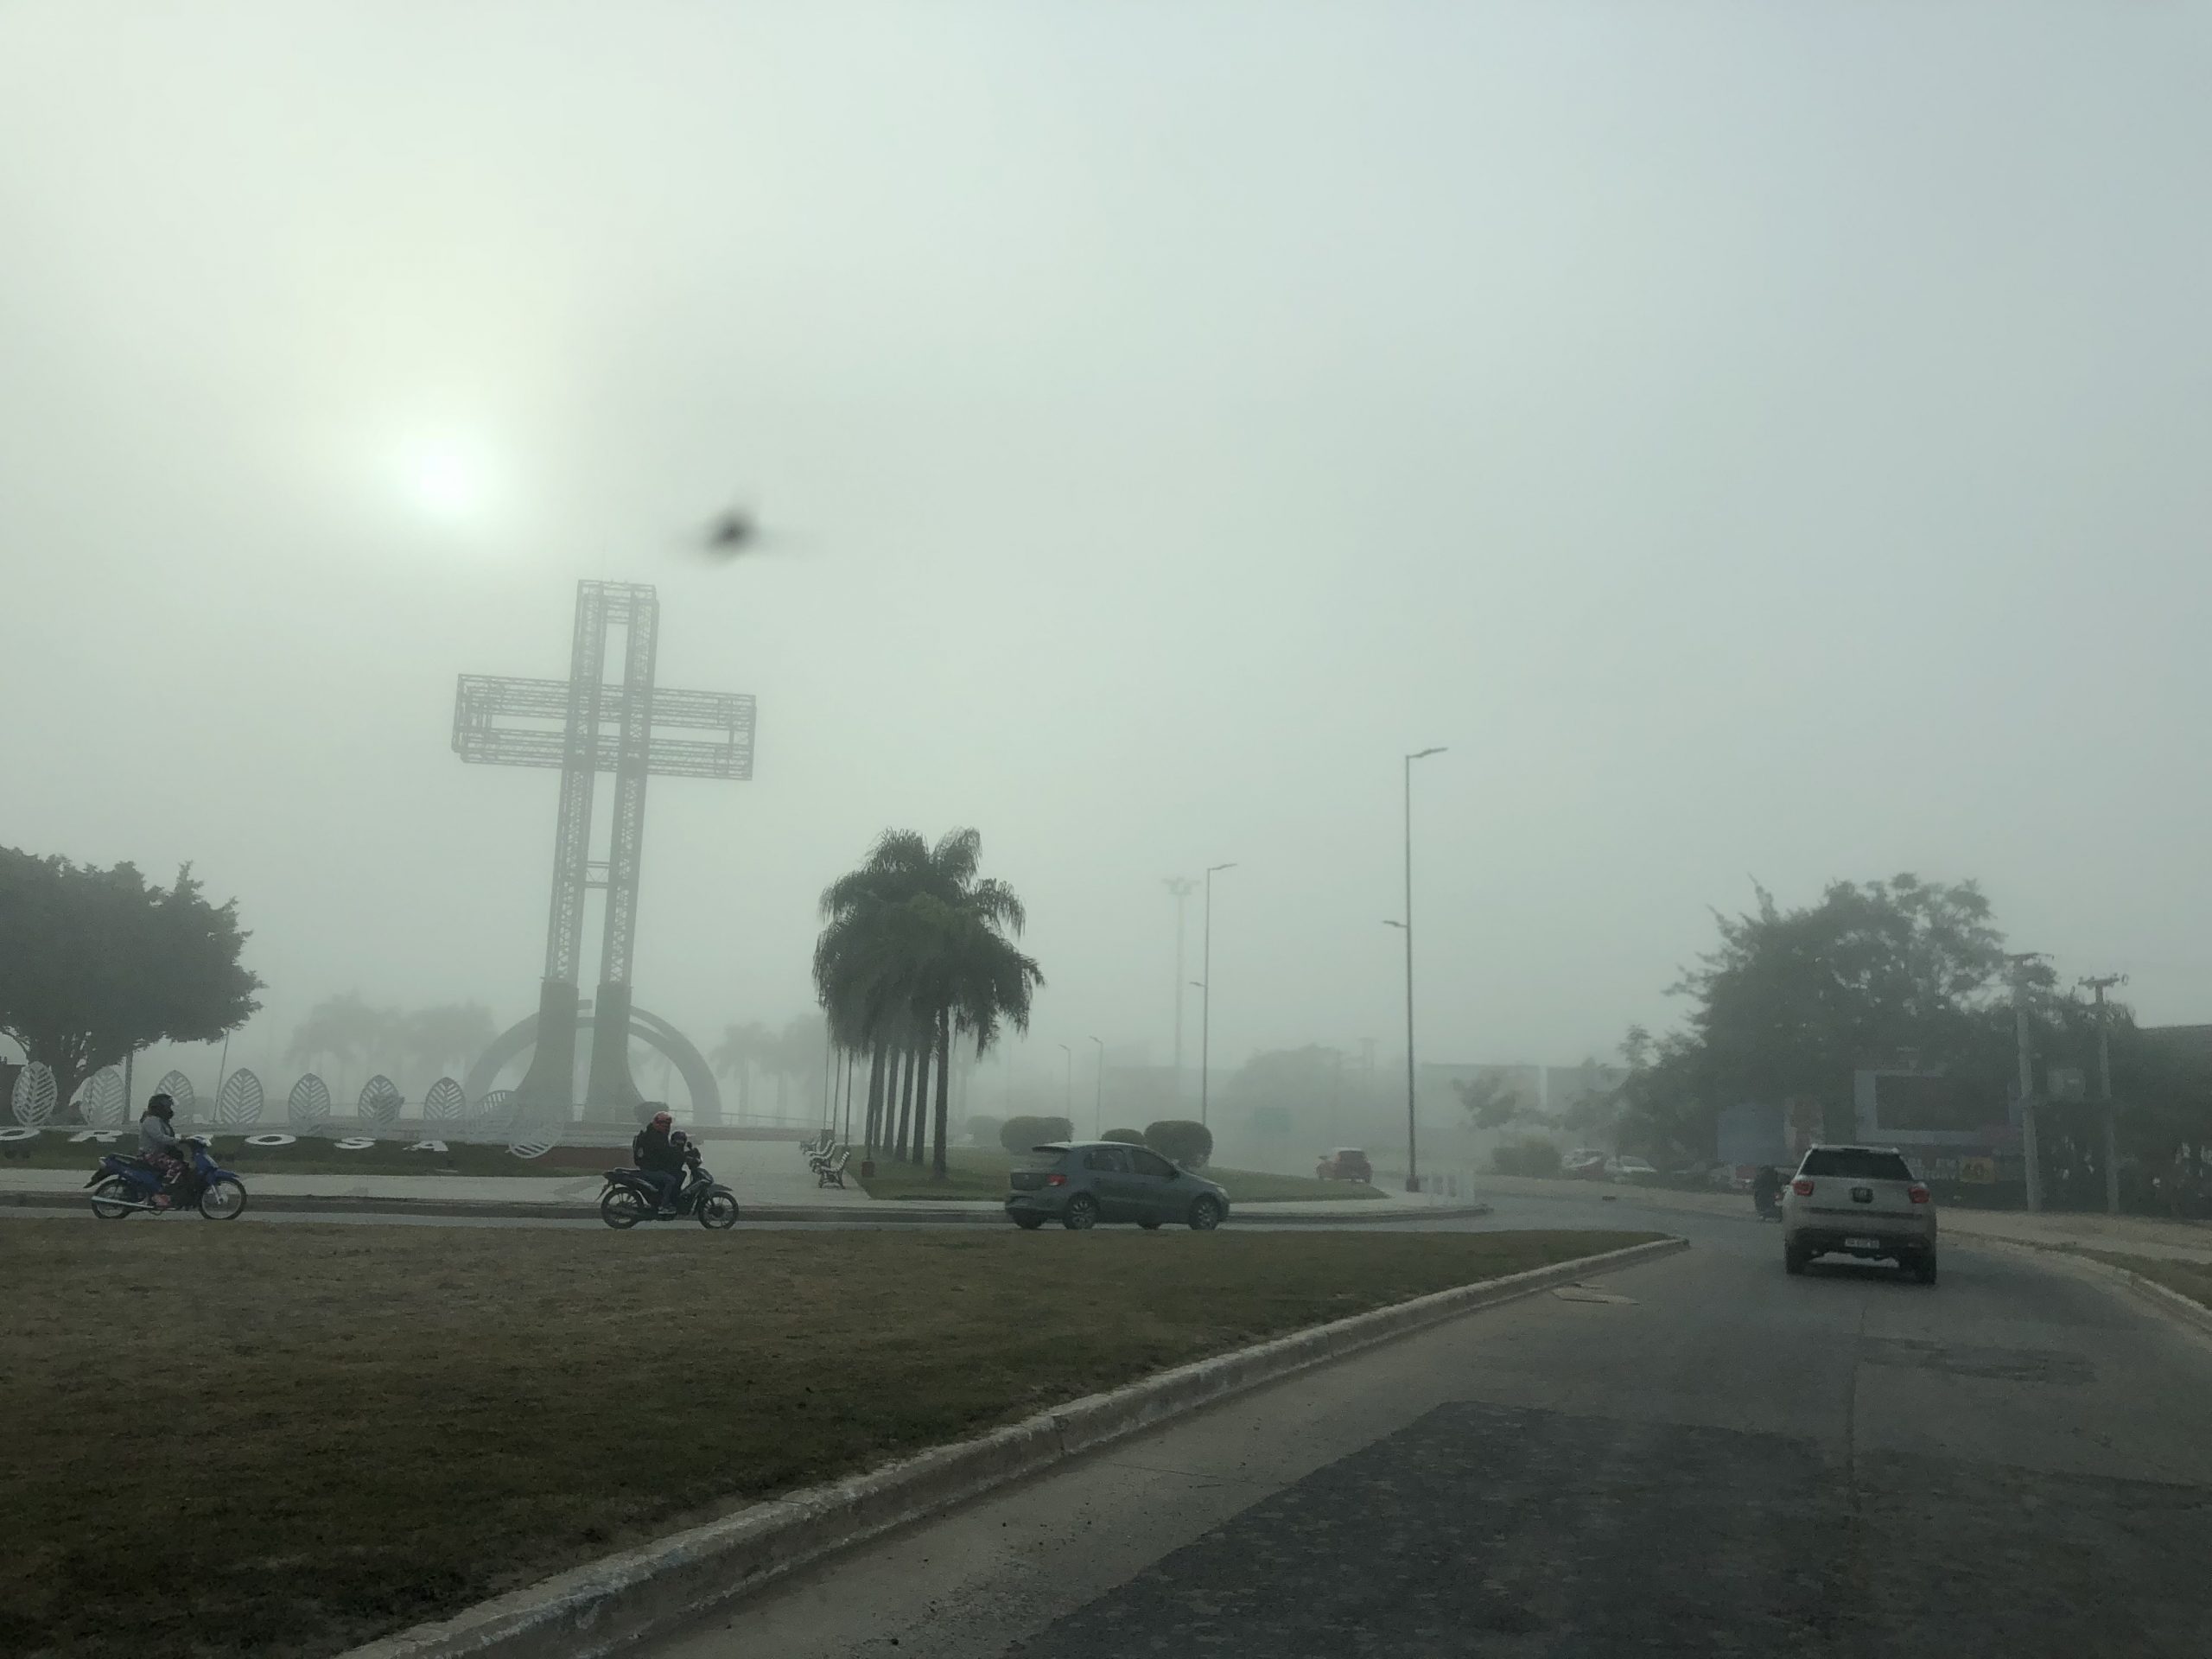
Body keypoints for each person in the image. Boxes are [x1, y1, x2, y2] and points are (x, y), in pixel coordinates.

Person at [138, 1093, 189, 1210]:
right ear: (160, 1108)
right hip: (150, 1155)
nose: (170, 1110)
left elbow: (167, 1136)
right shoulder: (151, 1121)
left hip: (159, 1154)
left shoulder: (159, 1121)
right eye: (168, 1107)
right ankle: (160, 1195)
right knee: (176, 1166)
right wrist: (179, 1141)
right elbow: (159, 1137)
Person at [631, 1109, 685, 1216]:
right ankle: (664, 1206)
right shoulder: (654, 1137)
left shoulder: (655, 1134)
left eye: (668, 1124)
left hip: (652, 1167)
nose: (667, 1126)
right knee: (671, 1180)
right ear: (657, 1123)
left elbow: (665, 1150)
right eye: (664, 1124)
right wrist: (678, 1153)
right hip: (650, 1169)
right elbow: (665, 1151)